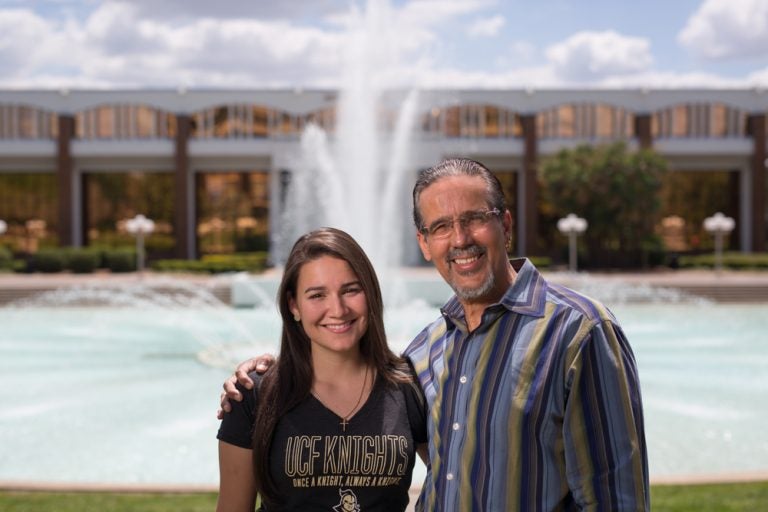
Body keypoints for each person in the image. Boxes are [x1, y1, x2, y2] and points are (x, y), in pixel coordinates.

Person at [221, 158, 649, 511]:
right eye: (441, 227)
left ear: (506, 224)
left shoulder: (579, 331)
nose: (459, 239)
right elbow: (450, 471)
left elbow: (615, 498)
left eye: (474, 219)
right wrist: (266, 373)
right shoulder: (426, 352)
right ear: (424, 243)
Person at [216, 227, 427, 511]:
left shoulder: (410, 388)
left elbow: (456, 482)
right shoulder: (253, 394)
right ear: (294, 306)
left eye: (351, 290)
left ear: (371, 294)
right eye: (317, 295)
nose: (338, 309)